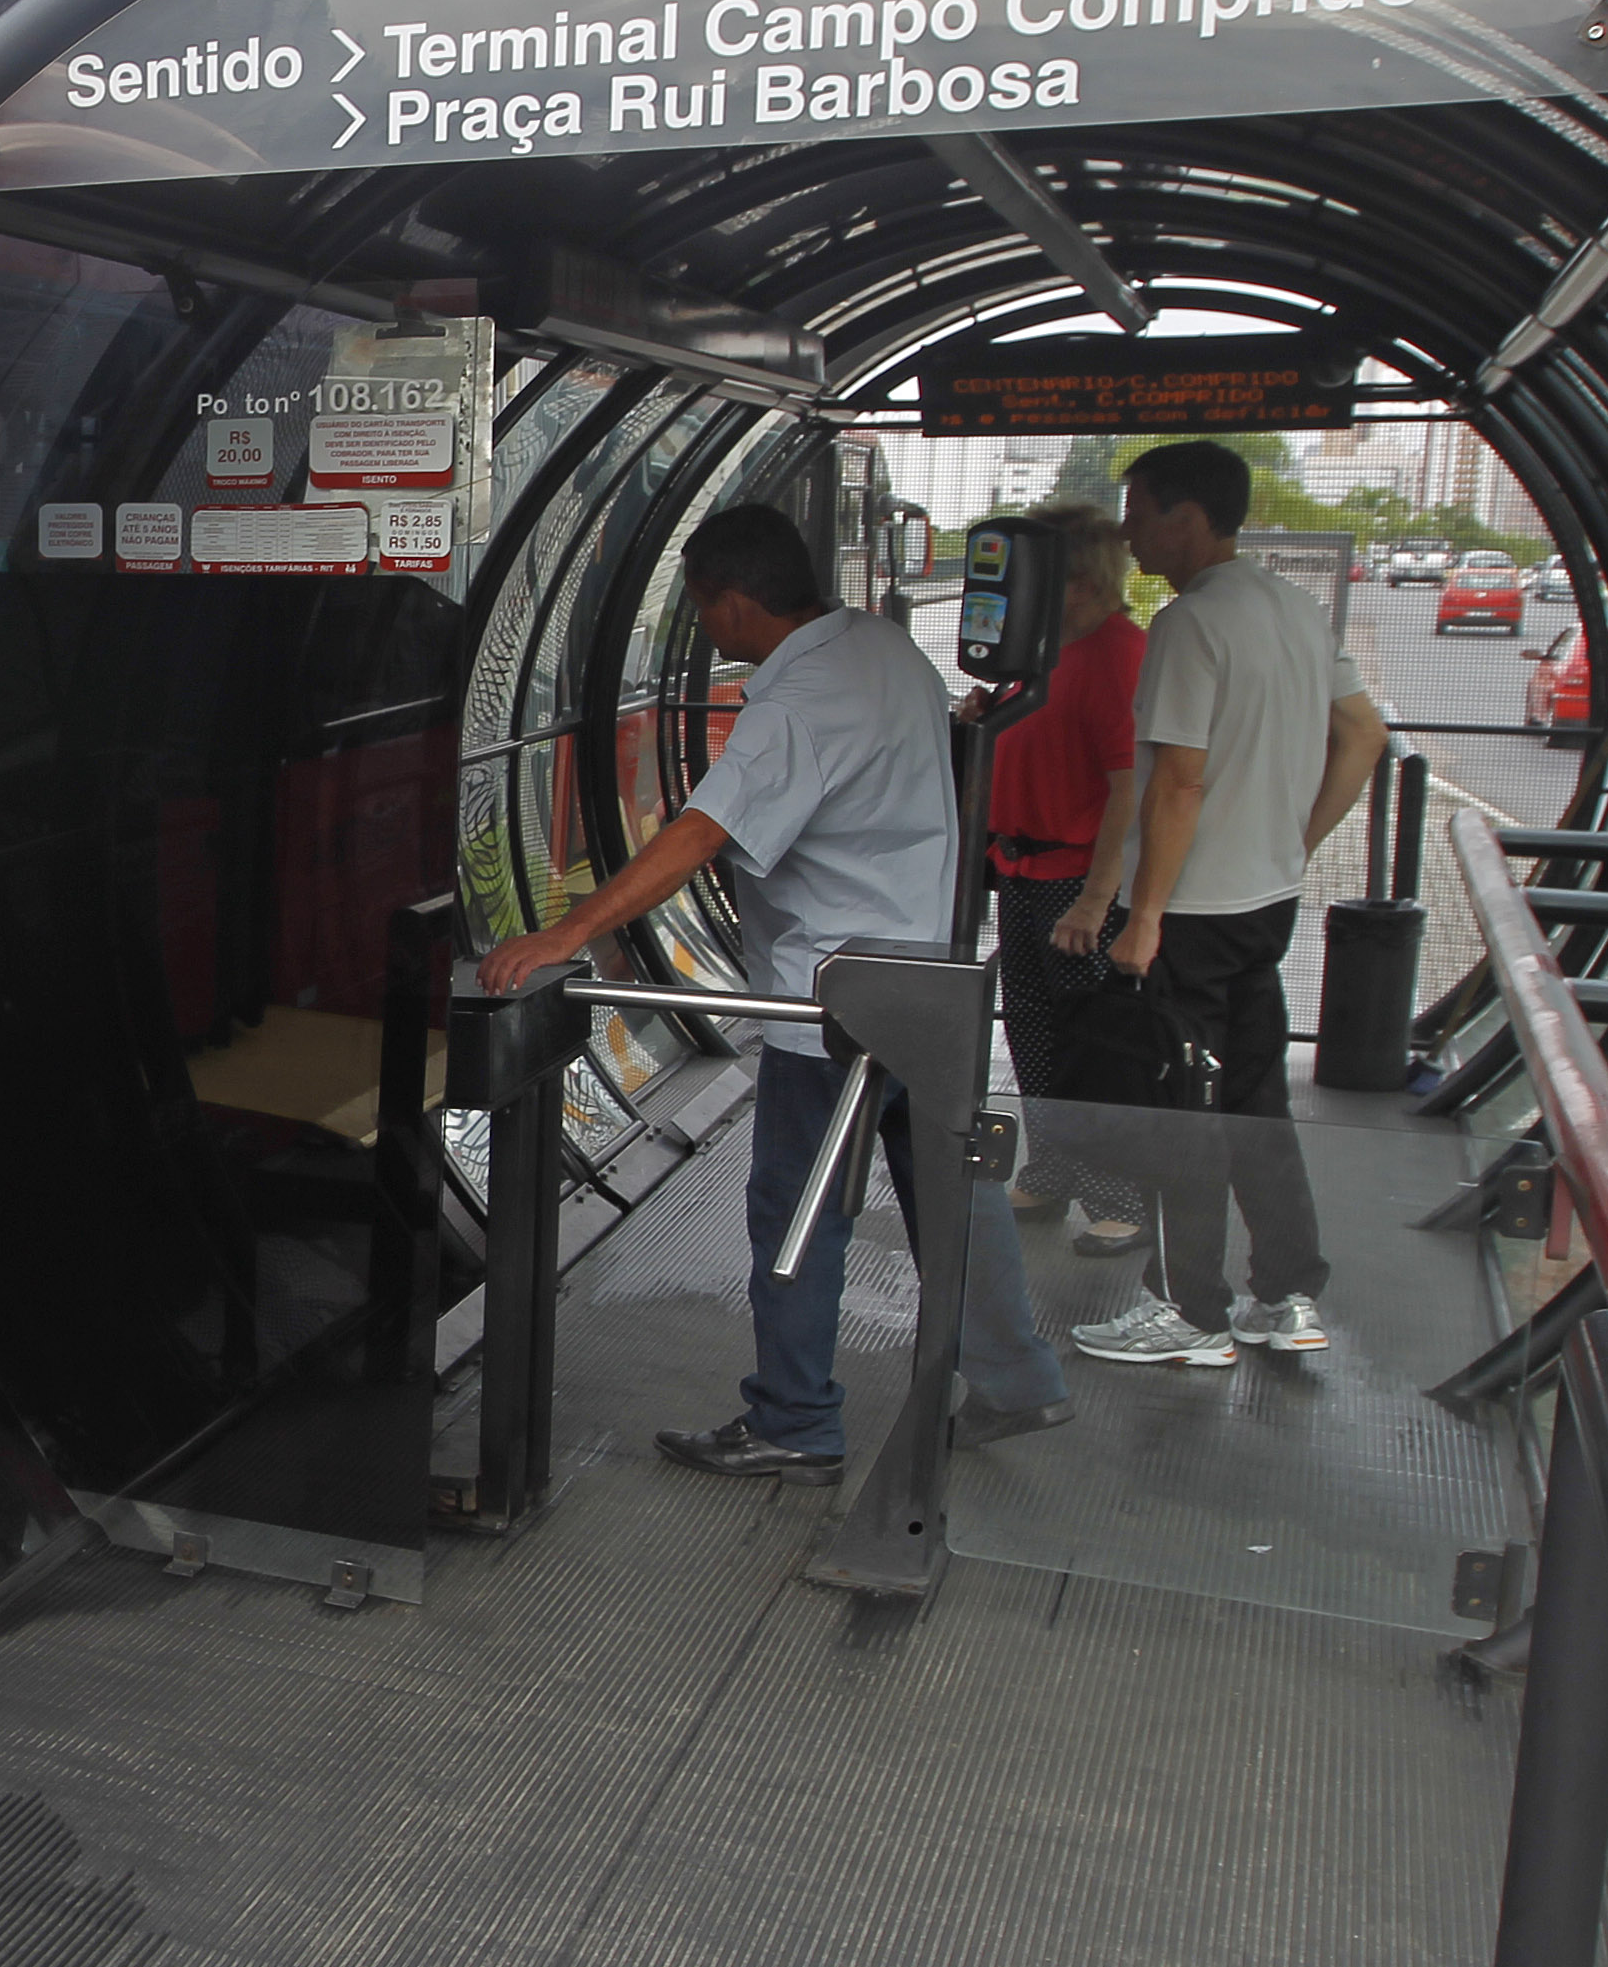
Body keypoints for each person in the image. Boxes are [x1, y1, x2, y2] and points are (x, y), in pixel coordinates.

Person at [484, 502, 1069, 1482]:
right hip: (928, 980)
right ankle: (1017, 1374)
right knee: (955, 1191)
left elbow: (703, 829)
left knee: (794, 1212)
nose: (709, 630)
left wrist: (567, 933)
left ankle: (794, 1419)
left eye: (709, 609)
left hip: (833, 1009)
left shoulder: (800, 701)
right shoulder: (884, 648)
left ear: (737, 603)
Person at [1067, 442, 1387, 1367]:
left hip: (1193, 915)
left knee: (1181, 1110)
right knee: (1252, 1100)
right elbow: (1363, 735)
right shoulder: (1293, 606)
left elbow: (1177, 785)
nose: (1126, 529)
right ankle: (1284, 1294)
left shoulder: (1190, 625)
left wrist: (1145, 916)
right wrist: (1295, 840)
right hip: (1265, 902)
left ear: (1188, 518)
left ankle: (1189, 1311)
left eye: (1139, 509)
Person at [975, 508, 1150, 1258]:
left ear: (1073, 583)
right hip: (1021, 866)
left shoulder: (1116, 656)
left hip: (1074, 875)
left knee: (1095, 1046)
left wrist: (1095, 899)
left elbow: (1130, 785)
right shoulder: (1042, 651)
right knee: (1035, 1032)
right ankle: (1052, 1169)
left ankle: (1121, 1195)